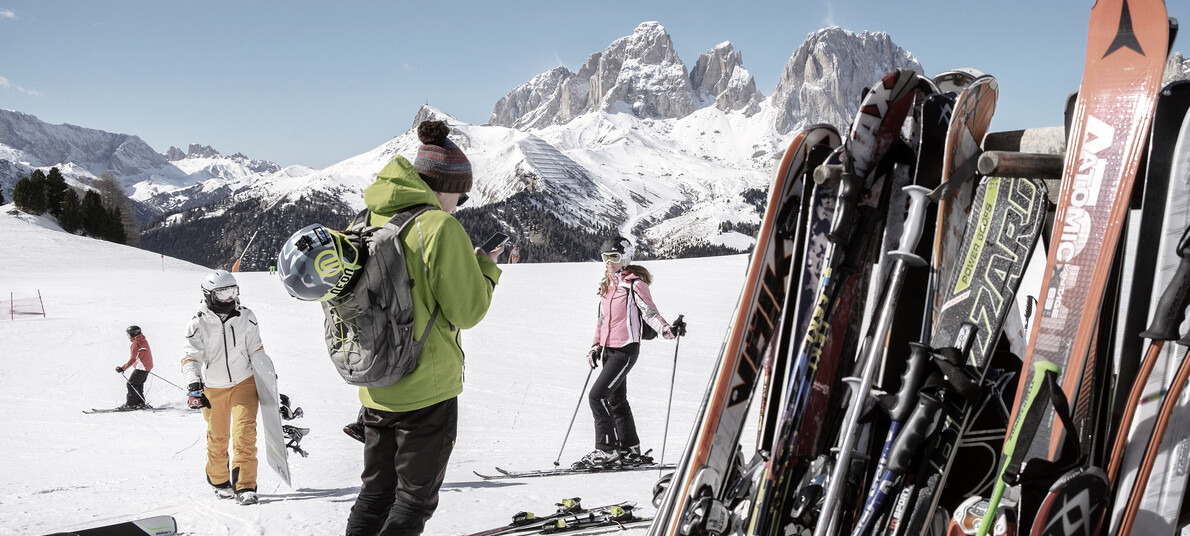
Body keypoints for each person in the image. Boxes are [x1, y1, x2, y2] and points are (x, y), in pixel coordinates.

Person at [344, 119, 502, 536]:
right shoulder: (438, 226)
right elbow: (468, 311)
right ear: (443, 186)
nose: (460, 203)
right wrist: (484, 266)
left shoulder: (366, 218)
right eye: (461, 195)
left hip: (375, 381)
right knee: (413, 501)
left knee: (375, 494)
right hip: (426, 388)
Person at [576, 236, 676, 469]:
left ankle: (607, 450)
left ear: (626, 258)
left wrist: (667, 330)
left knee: (597, 396)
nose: (609, 262)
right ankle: (630, 449)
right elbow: (601, 322)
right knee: (616, 400)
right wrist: (595, 346)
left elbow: (650, 313)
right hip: (608, 351)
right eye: (605, 257)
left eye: (614, 257)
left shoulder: (635, 284)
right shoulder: (608, 286)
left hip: (625, 350)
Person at [181, 269, 271, 506]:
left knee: (244, 435)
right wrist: (194, 383)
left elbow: (256, 350)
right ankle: (220, 482)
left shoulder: (247, 317)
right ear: (209, 295)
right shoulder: (198, 322)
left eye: (232, 291)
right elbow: (191, 356)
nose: (229, 299)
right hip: (213, 387)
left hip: (244, 382)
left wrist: (268, 378)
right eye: (222, 294)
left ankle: (246, 486)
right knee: (217, 437)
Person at [115, 325, 153, 410]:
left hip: (142, 367)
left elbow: (133, 359)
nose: (128, 336)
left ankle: (131, 404)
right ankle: (140, 403)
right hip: (147, 366)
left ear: (133, 334)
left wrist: (122, 368)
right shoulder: (143, 340)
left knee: (131, 384)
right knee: (138, 384)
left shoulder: (136, 344)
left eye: (128, 334)